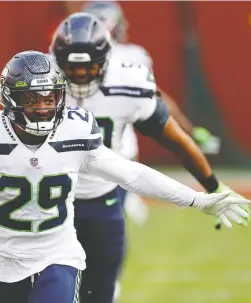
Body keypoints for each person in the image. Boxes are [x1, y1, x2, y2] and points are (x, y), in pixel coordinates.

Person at [0, 51, 249, 303]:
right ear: (12, 99)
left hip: (58, 256)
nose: (44, 108)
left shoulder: (76, 131)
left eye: (50, 98)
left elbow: (131, 174)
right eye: (33, 99)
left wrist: (199, 198)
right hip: (4, 262)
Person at [47, 13, 249, 303]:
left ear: (105, 60)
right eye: (72, 68)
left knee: (100, 293)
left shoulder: (127, 83)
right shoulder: (40, 79)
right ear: (57, 60)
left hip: (102, 196)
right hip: (50, 202)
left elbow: (176, 140)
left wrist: (213, 184)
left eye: (88, 67)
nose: (80, 76)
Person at [81, 0, 222, 227]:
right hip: (118, 151)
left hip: (84, 152)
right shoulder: (132, 56)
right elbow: (157, 99)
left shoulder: (64, 60)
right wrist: (189, 129)